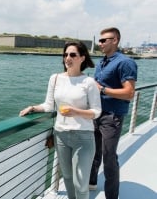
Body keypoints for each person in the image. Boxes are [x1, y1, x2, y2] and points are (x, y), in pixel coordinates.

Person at [19, 41, 102, 199]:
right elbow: (50, 105)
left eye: (72, 55)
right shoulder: (55, 78)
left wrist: (76, 112)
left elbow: (97, 112)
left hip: (83, 137)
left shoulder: (88, 82)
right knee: (68, 178)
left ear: (82, 58)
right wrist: (34, 108)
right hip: (61, 135)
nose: (67, 58)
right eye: (65, 54)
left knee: (81, 183)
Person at [89, 27, 138, 199]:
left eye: (104, 40)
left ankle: (112, 196)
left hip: (112, 116)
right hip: (96, 114)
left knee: (109, 158)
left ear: (115, 40)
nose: (100, 43)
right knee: (93, 152)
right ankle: (92, 182)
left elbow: (129, 93)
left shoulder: (125, 62)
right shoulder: (102, 62)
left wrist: (102, 89)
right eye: (99, 40)